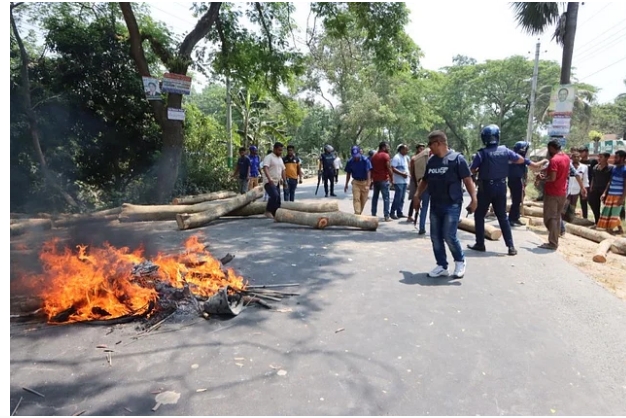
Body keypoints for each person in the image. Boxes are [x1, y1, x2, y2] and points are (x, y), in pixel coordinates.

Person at [413, 130, 477, 278]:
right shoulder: (432, 161)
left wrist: (474, 199)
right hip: (436, 203)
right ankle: (442, 265)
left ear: (438, 143)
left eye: (430, 144)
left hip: (452, 204)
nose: (429, 148)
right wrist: (417, 195)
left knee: (449, 235)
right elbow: (425, 180)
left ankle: (460, 261)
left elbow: (468, 180)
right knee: (435, 237)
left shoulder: (457, 159)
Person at [468, 125, 526, 256]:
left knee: (479, 215)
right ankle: (511, 246)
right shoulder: (505, 150)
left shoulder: (481, 153)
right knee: (502, 217)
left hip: (486, 188)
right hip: (501, 187)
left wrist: (479, 170)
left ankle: (480, 243)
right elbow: (520, 159)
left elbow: (471, 170)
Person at [538, 140, 571, 250]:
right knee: (556, 217)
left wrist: (542, 179)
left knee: (550, 218)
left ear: (552, 148)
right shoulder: (566, 158)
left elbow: (552, 178)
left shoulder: (554, 160)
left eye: (549, 149)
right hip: (562, 192)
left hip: (552, 193)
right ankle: (554, 240)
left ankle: (552, 243)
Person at [508, 141, 548, 226]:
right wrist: (545, 160)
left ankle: (516, 217)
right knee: (516, 200)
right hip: (516, 181)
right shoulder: (520, 158)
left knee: (518, 200)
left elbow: (534, 169)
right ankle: (512, 218)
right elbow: (535, 165)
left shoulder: (512, 157)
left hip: (514, 181)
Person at [597, 150, 626, 234]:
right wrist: (605, 193)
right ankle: (620, 230)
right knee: (609, 212)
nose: (614, 159)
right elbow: (610, 181)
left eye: (617, 157)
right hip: (610, 194)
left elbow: (625, 186)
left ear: (623, 158)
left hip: (618, 196)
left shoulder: (625, 170)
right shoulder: (614, 168)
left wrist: (622, 198)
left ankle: (610, 230)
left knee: (614, 213)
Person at [370, 141, 395, 221]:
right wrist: (392, 178)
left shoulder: (374, 156)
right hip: (384, 179)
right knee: (386, 198)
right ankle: (386, 216)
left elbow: (371, 169)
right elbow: (388, 167)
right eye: (387, 146)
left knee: (375, 197)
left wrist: (371, 180)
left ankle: (373, 213)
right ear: (383, 147)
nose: (388, 148)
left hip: (375, 179)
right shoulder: (385, 156)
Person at [344, 145, 372, 215]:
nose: (356, 157)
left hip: (365, 182)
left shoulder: (365, 160)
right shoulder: (350, 162)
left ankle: (359, 213)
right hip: (356, 182)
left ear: (360, 153)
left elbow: (368, 172)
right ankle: (357, 213)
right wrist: (346, 184)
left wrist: (368, 185)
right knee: (356, 199)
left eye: (357, 155)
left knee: (363, 200)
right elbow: (348, 173)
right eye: (354, 156)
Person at [262, 142, 286, 218]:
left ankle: (276, 214)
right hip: (269, 181)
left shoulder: (280, 159)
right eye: (279, 150)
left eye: (281, 150)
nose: (280, 152)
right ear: (274, 149)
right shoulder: (269, 157)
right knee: (274, 195)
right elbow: (265, 168)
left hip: (277, 182)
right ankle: (268, 211)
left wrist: (284, 181)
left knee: (278, 199)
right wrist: (269, 179)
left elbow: (283, 170)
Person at [588, 152, 613, 225]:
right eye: (598, 157)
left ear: (607, 158)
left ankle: (608, 223)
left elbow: (610, 181)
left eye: (601, 157)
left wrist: (605, 192)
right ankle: (597, 221)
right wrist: (591, 187)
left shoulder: (611, 168)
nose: (599, 159)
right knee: (594, 204)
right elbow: (593, 177)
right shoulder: (595, 167)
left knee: (608, 207)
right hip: (596, 189)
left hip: (605, 190)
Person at [390, 144, 410, 219]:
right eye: (406, 149)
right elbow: (393, 168)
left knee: (402, 198)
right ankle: (392, 212)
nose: (407, 151)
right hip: (398, 181)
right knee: (398, 197)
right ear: (401, 150)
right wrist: (402, 174)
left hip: (405, 181)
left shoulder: (405, 157)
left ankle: (399, 212)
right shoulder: (396, 157)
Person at [566, 150, 589, 214]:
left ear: (580, 158)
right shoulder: (568, 166)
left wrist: (584, 189)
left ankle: (570, 217)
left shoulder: (584, 167)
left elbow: (585, 179)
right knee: (565, 203)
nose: (576, 158)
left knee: (573, 204)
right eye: (574, 157)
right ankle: (563, 218)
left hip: (577, 188)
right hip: (567, 188)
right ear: (571, 158)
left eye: (577, 157)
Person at [407, 144, 425, 223]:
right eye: (420, 149)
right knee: (414, 199)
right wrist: (415, 183)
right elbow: (412, 172)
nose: (422, 150)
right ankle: (410, 215)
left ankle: (417, 216)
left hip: (422, 181)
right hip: (415, 181)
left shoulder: (424, 158)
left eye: (423, 149)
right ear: (417, 149)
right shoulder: (414, 158)